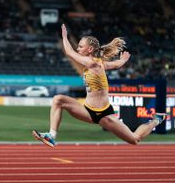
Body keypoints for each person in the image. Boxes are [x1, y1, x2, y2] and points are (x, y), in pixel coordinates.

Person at [32, 24, 165, 147]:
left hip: (104, 114)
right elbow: (115, 65)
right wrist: (122, 61)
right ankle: (51, 136)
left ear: (89, 49)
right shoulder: (99, 63)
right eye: (77, 46)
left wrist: (65, 37)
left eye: (80, 46)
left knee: (135, 139)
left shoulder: (92, 63)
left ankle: (156, 120)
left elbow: (69, 52)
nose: (78, 49)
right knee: (58, 99)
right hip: (88, 110)